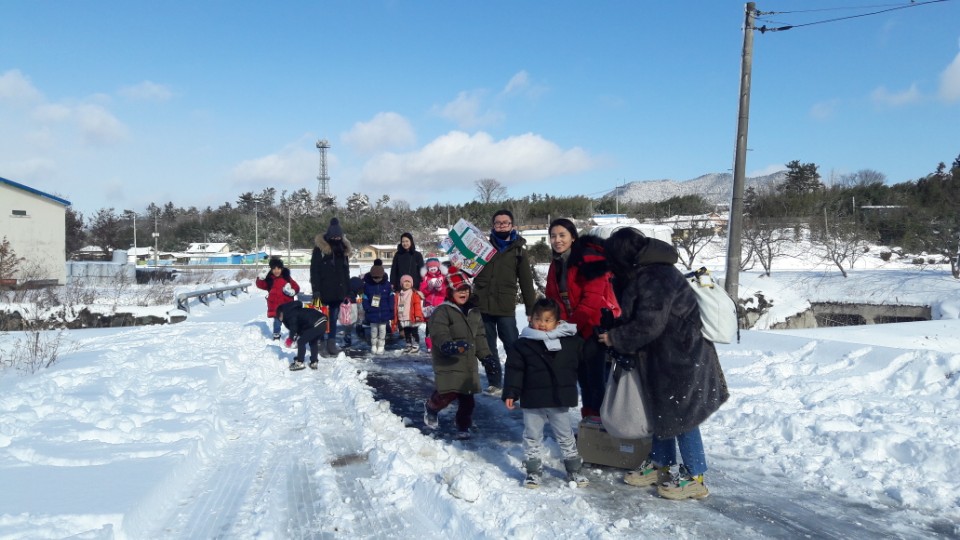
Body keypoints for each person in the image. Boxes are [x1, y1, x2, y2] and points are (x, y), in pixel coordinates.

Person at [597, 227, 729, 500]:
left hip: (682, 356)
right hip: (663, 356)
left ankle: (695, 476)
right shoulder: (646, 272)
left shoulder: (656, 276)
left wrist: (615, 337)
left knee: (683, 415)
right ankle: (661, 463)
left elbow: (650, 323)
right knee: (661, 410)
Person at [502, 298, 589, 489]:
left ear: (557, 322)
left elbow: (584, 363)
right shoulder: (523, 344)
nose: (542, 324)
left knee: (565, 436)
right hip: (533, 399)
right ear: (530, 319)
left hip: (559, 398)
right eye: (538, 319)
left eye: (547, 320)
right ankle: (533, 471)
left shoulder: (570, 342)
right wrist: (511, 392)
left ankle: (574, 469)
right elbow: (515, 370)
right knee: (532, 436)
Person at [544, 219, 620, 420]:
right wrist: (554, 322)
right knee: (583, 380)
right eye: (553, 236)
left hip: (593, 327)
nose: (557, 240)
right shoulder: (556, 263)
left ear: (573, 237)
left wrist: (571, 326)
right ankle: (589, 421)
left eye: (562, 235)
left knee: (596, 380)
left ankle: (603, 424)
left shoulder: (589, 258)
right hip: (571, 329)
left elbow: (592, 298)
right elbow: (552, 297)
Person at [471, 209, 537, 397]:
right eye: (498, 223)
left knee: (513, 346)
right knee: (488, 347)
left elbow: (526, 282)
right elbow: (470, 269)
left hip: (505, 306)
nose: (501, 226)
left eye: (505, 223)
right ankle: (494, 383)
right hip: (483, 304)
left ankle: (518, 382)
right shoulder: (483, 248)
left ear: (512, 226)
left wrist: (531, 309)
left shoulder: (518, 251)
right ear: (493, 226)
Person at [423, 266, 494, 440]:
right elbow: (439, 332)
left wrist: (486, 356)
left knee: (468, 401)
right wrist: (448, 345)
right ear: (450, 292)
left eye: (466, 289)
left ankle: (463, 426)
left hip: (468, 364)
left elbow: (479, 336)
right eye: (459, 290)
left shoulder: (474, 312)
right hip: (449, 361)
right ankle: (432, 407)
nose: (463, 293)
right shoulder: (443, 311)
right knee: (447, 395)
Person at [310, 217, 352, 356]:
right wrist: (315, 289)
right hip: (322, 290)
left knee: (333, 318)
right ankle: (320, 342)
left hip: (338, 291)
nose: (335, 239)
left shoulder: (343, 250)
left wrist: (348, 290)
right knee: (320, 318)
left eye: (338, 237)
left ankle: (331, 343)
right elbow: (314, 270)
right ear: (328, 236)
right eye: (333, 237)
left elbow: (346, 272)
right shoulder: (320, 250)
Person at [255, 257, 300, 340]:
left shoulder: (287, 278)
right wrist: (260, 278)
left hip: (287, 305)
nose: (276, 271)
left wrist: (292, 291)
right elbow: (261, 285)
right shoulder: (269, 280)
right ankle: (276, 334)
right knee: (277, 322)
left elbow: (296, 287)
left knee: (291, 321)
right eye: (274, 269)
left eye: (278, 268)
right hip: (276, 306)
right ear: (271, 270)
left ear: (282, 269)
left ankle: (294, 333)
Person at [277, 301, 328, 371]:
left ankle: (299, 362)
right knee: (313, 342)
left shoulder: (291, 314)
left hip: (316, 323)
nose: (280, 318)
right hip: (322, 322)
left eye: (279, 316)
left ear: (282, 312)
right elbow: (302, 327)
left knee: (301, 342)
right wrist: (296, 336)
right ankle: (314, 362)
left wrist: (290, 339)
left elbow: (293, 327)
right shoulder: (297, 311)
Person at [361, 259, 394, 355]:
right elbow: (365, 298)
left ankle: (381, 345)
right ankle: (373, 345)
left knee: (383, 330)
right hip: (372, 312)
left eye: (378, 277)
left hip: (384, 312)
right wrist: (367, 308)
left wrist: (391, 307)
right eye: (374, 277)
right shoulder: (367, 285)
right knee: (374, 330)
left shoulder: (387, 285)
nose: (376, 279)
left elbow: (391, 297)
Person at [419, 257, 447, 352]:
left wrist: (440, 289)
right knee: (429, 325)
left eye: (434, 266)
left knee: (441, 325)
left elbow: (446, 292)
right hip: (429, 306)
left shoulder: (443, 277)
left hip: (441, 305)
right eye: (430, 267)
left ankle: (441, 343)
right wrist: (429, 288)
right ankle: (430, 346)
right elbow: (422, 292)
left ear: (438, 267)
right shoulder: (425, 278)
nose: (433, 268)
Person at [394, 274, 426, 353]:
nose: (407, 283)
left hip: (412, 317)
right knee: (406, 332)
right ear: (401, 284)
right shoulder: (399, 294)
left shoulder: (414, 294)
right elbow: (396, 305)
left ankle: (415, 345)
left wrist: (417, 315)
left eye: (409, 282)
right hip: (403, 317)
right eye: (405, 282)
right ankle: (408, 344)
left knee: (414, 332)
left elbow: (417, 305)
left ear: (411, 284)